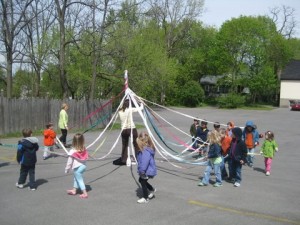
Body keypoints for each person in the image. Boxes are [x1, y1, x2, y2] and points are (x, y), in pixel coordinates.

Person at [113, 99, 143, 166]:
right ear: (129, 104)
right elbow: (141, 108)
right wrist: (141, 103)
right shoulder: (130, 109)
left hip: (123, 130)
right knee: (136, 143)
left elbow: (121, 107)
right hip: (132, 129)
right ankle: (138, 158)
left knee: (124, 145)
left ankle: (124, 159)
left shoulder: (120, 110)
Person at [65, 133, 89, 199]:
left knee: (79, 180)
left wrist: (67, 169)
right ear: (82, 140)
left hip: (77, 167)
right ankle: (74, 190)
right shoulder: (84, 148)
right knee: (76, 178)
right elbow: (86, 157)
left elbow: (69, 162)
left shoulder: (72, 151)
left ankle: (85, 193)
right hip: (83, 166)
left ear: (73, 141)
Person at [136, 131, 157, 203]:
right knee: (141, 180)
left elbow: (145, 162)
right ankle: (151, 189)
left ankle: (145, 198)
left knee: (143, 182)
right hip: (147, 170)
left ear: (141, 141)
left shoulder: (145, 151)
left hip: (146, 171)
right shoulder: (146, 149)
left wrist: (142, 171)